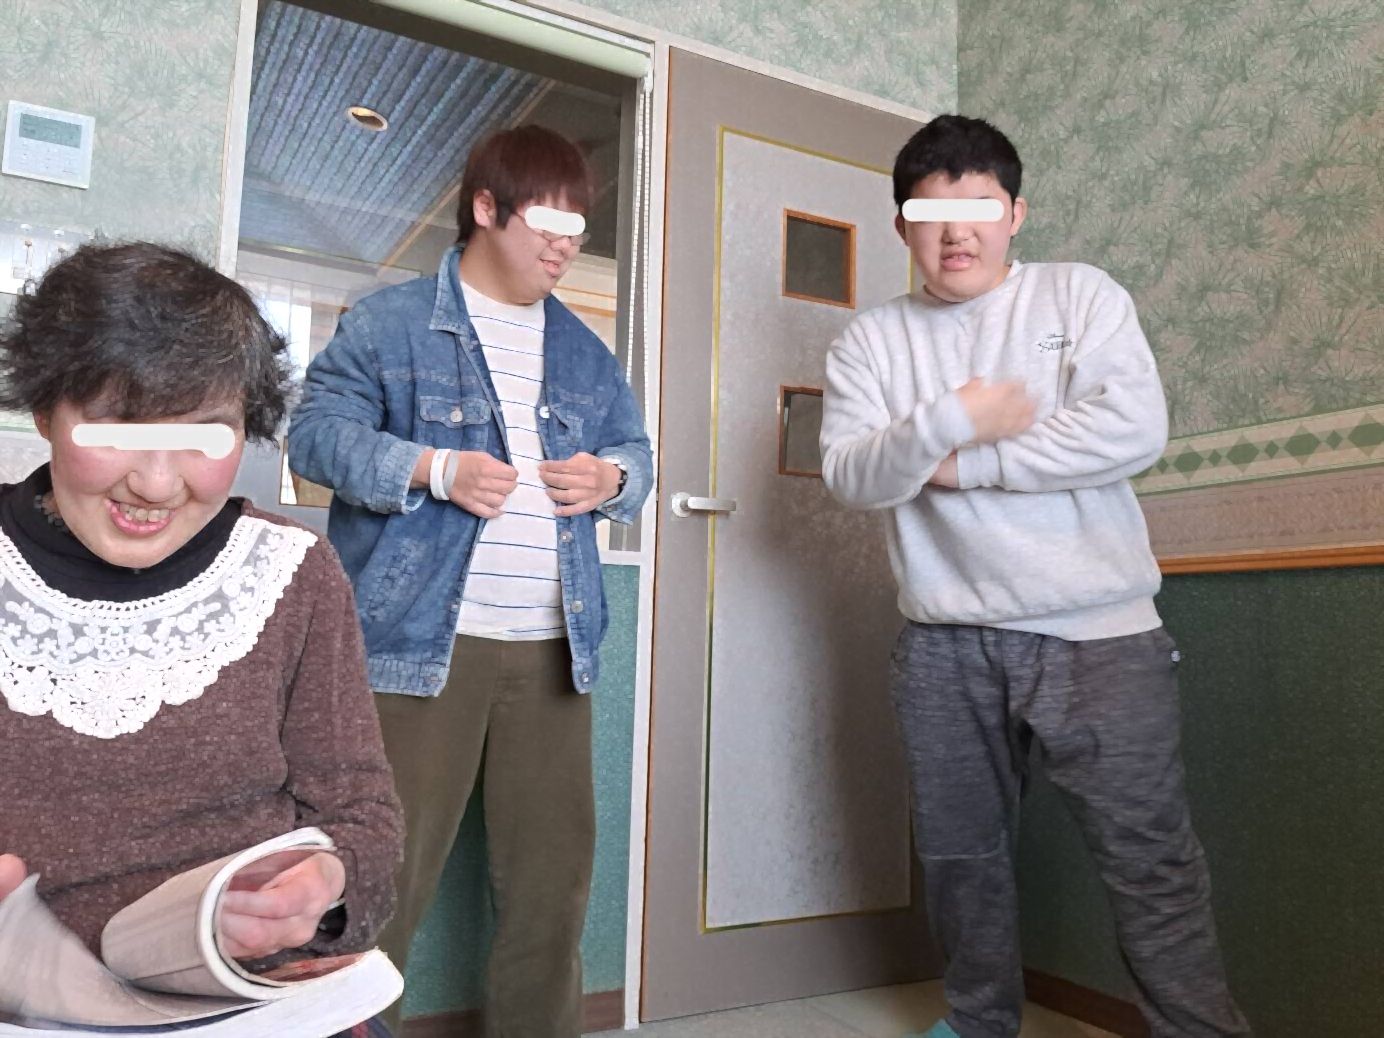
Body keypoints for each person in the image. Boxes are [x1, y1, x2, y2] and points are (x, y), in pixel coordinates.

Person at [819, 115, 1251, 1038]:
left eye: (981, 210)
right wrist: (950, 419)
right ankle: (979, 1023)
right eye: (931, 216)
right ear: (901, 226)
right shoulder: (870, 342)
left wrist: (961, 463)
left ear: (1016, 214)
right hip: (944, 643)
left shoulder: (1079, 295)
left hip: (1100, 634)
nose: (957, 234)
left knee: (1150, 859)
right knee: (960, 859)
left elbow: (1130, 431)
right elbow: (853, 476)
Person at [287, 124, 652, 1037]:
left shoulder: (584, 350)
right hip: (412, 648)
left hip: (554, 650)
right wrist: (432, 468)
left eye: (576, 229)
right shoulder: (391, 322)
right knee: (381, 880)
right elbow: (315, 437)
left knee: (550, 889)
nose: (563, 247)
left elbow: (635, 456)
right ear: (486, 208)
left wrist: (613, 479)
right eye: (545, 224)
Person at [0, 242, 403, 1038]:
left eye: (205, 437)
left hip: (251, 1002)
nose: (156, 483)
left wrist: (323, 889)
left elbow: (364, 820)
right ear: (45, 410)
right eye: (117, 427)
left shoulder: (294, 573)